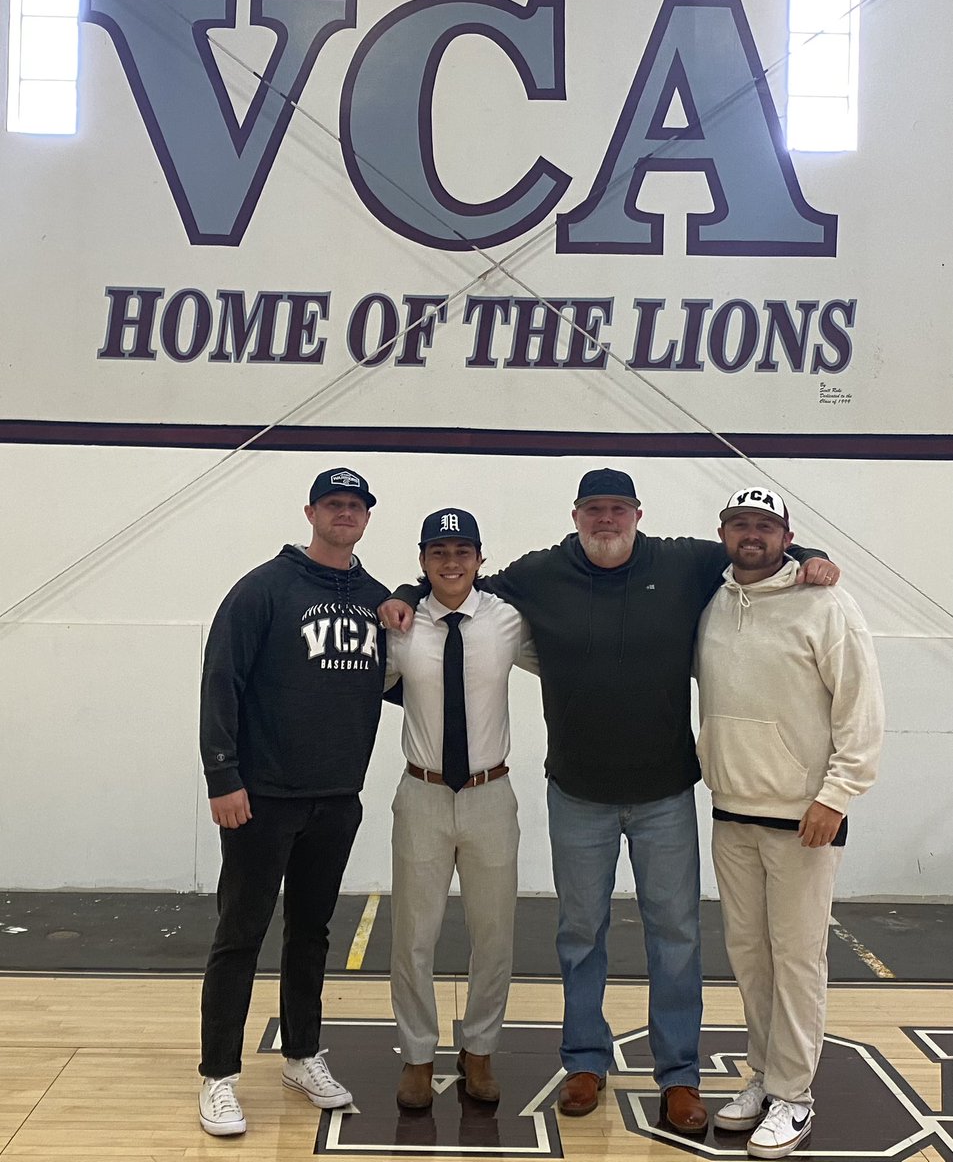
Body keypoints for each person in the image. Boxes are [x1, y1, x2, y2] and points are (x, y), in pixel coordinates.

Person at [381, 469, 840, 1134]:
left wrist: (809, 556)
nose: (605, 520)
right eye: (593, 509)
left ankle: (678, 1076)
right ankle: (584, 1062)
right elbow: (457, 583)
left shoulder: (683, 561)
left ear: (636, 514)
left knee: (676, 939)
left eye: (616, 509)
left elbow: (756, 546)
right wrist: (401, 590)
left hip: (664, 795)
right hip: (577, 794)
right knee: (578, 937)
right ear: (575, 516)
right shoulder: (538, 574)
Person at [197, 467, 389, 1136]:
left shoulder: (377, 599)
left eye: (354, 505)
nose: (344, 514)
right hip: (261, 798)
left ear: (367, 517)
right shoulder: (263, 590)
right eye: (333, 504)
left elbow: (404, 679)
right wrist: (222, 777)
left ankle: (301, 1054)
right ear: (310, 511)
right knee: (240, 935)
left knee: (311, 933)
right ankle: (218, 1076)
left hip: (336, 799)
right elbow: (221, 681)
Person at [694, 488, 883, 1158]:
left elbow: (859, 711)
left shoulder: (825, 603)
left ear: (786, 535)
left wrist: (835, 796)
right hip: (729, 812)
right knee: (750, 960)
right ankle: (763, 1078)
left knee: (797, 961)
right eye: (741, 524)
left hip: (804, 818)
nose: (753, 535)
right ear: (722, 533)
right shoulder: (711, 602)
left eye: (766, 526)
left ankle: (794, 1097)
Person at [384, 508, 538, 1109]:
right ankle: (417, 1056)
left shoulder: (506, 620)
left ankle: (479, 1050)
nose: (452, 562)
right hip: (421, 795)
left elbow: (568, 662)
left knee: (494, 935)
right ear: (423, 561)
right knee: (413, 938)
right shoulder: (400, 624)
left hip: (489, 797)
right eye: (439, 552)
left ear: (480, 558)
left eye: (463, 551)